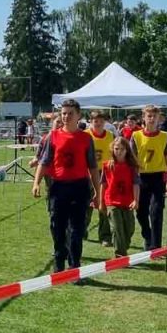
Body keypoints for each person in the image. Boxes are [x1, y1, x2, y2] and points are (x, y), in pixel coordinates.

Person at [32, 99, 100, 277]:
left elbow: (93, 167)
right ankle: (59, 262)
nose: (66, 117)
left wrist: (97, 192)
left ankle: (74, 266)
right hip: (58, 187)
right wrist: (36, 183)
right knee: (57, 227)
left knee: (77, 229)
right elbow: (44, 162)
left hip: (79, 187)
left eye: (70, 113)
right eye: (63, 113)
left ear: (78, 116)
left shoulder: (86, 138)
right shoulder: (53, 136)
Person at [131, 104, 167, 250]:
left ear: (159, 118)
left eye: (154, 116)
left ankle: (156, 246)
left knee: (156, 211)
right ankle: (148, 236)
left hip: (158, 177)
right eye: (149, 116)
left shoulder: (165, 136)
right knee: (141, 212)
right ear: (143, 118)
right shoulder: (136, 136)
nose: (152, 119)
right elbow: (132, 160)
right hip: (141, 178)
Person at [102, 137, 140, 258]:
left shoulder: (132, 167)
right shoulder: (107, 165)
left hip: (127, 201)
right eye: (116, 148)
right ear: (112, 149)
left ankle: (123, 247)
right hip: (112, 201)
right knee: (117, 228)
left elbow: (136, 184)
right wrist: (101, 201)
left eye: (122, 149)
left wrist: (136, 200)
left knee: (129, 228)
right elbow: (103, 184)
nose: (119, 151)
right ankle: (120, 254)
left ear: (127, 150)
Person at [85, 111, 114, 246]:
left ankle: (105, 236)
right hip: (87, 174)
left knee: (103, 205)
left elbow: (115, 153)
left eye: (101, 121)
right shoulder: (85, 135)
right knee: (86, 205)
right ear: (91, 121)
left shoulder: (110, 135)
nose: (98, 123)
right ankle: (81, 230)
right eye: (95, 121)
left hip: (105, 174)